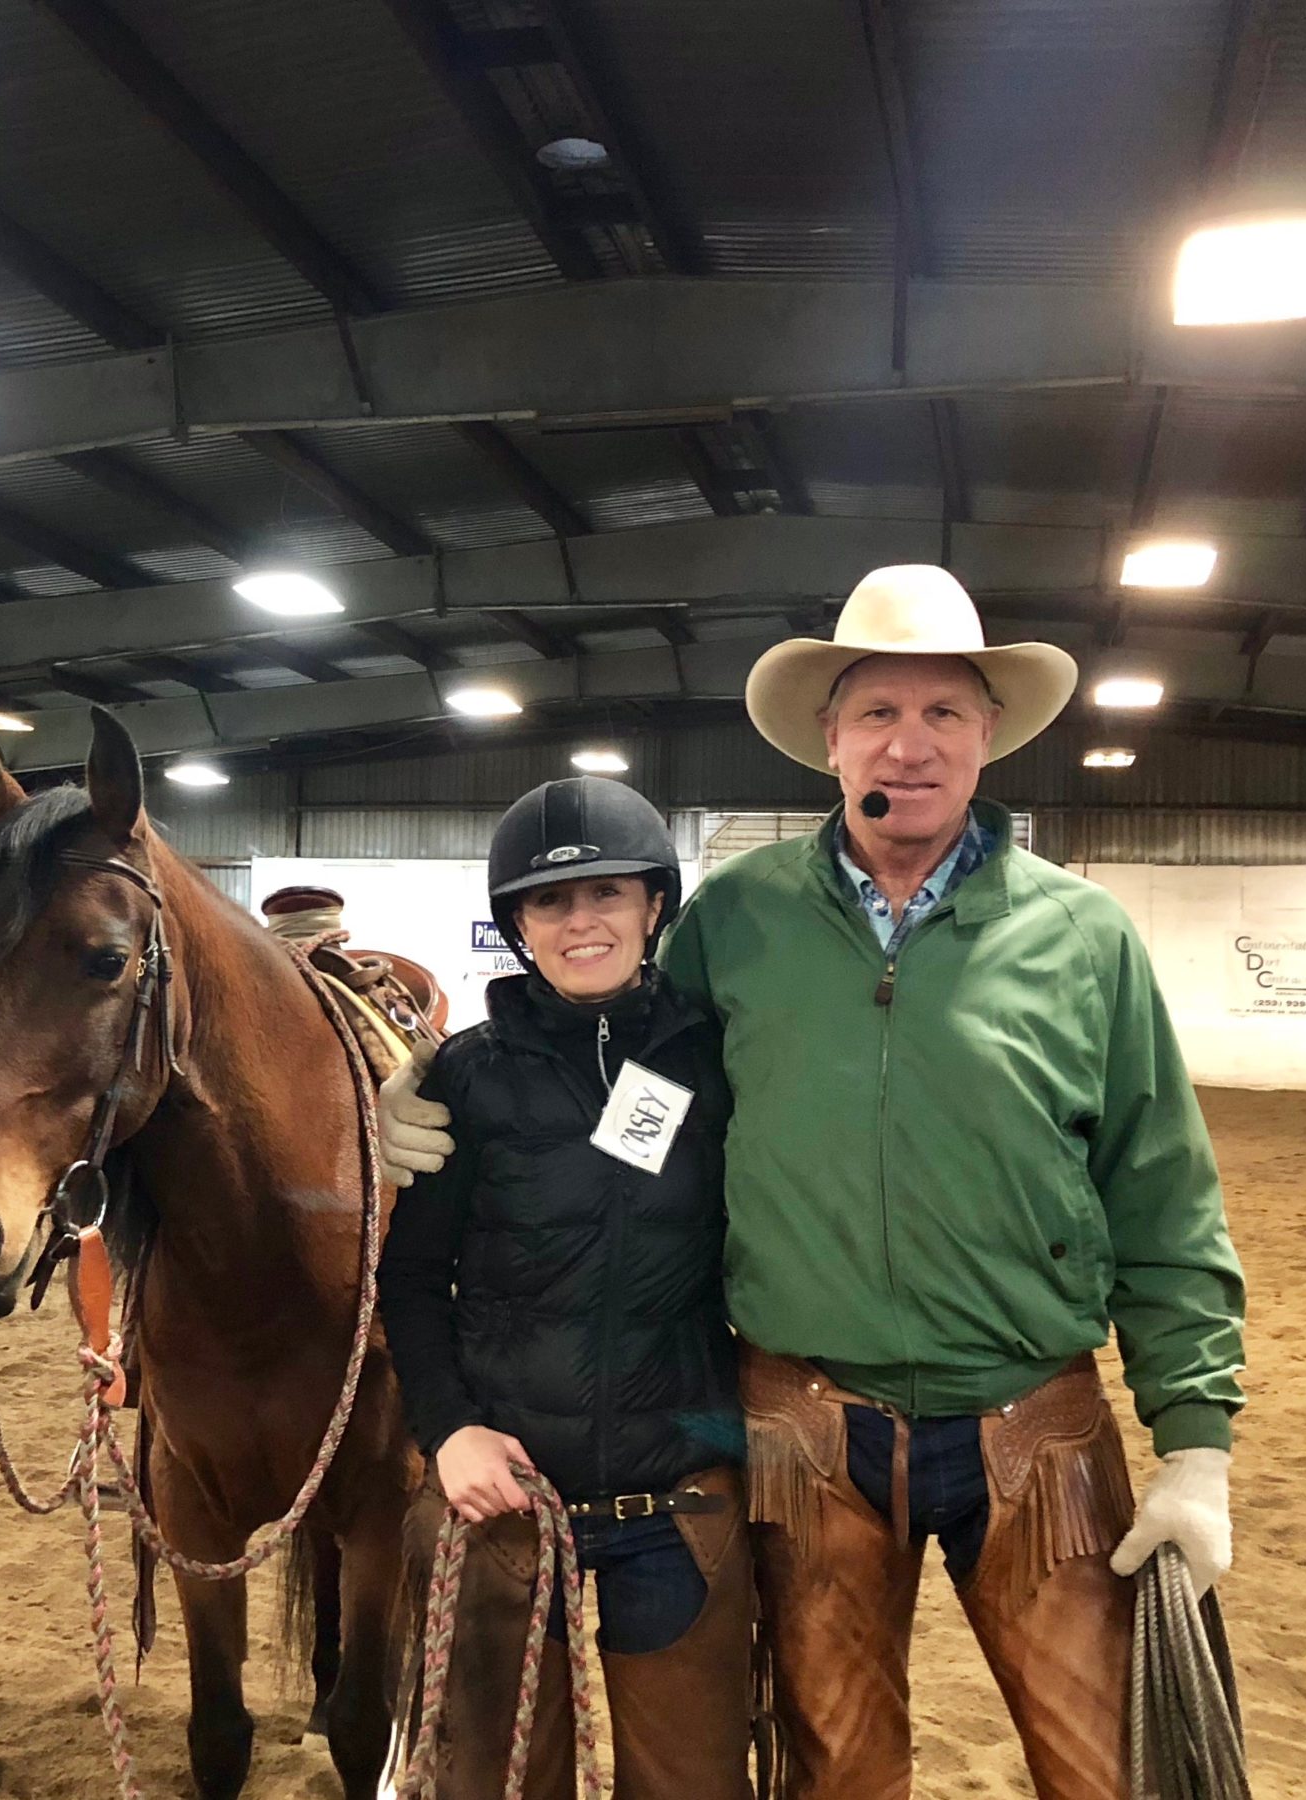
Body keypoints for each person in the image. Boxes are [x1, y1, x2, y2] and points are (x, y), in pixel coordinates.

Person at [380, 566, 1248, 1799]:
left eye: (946, 712)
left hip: (1030, 1425)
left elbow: (1163, 1190)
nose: (914, 741)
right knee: (834, 1763)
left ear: (988, 735)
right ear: (830, 742)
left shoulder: (1084, 937)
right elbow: (605, 1050)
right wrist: (419, 1098)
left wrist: (1197, 1441)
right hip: (809, 1430)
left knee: (1101, 1761)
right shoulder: (735, 919)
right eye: (880, 713)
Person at [379, 774, 752, 1799]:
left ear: (653, 907)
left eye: (608, 893)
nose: (582, 920)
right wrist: (447, 1429)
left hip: (676, 1487)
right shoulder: (464, 1077)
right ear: (518, 924)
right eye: (552, 900)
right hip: (506, 1491)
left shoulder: (721, 1061)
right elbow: (409, 1282)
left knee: (695, 1781)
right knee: (490, 1780)